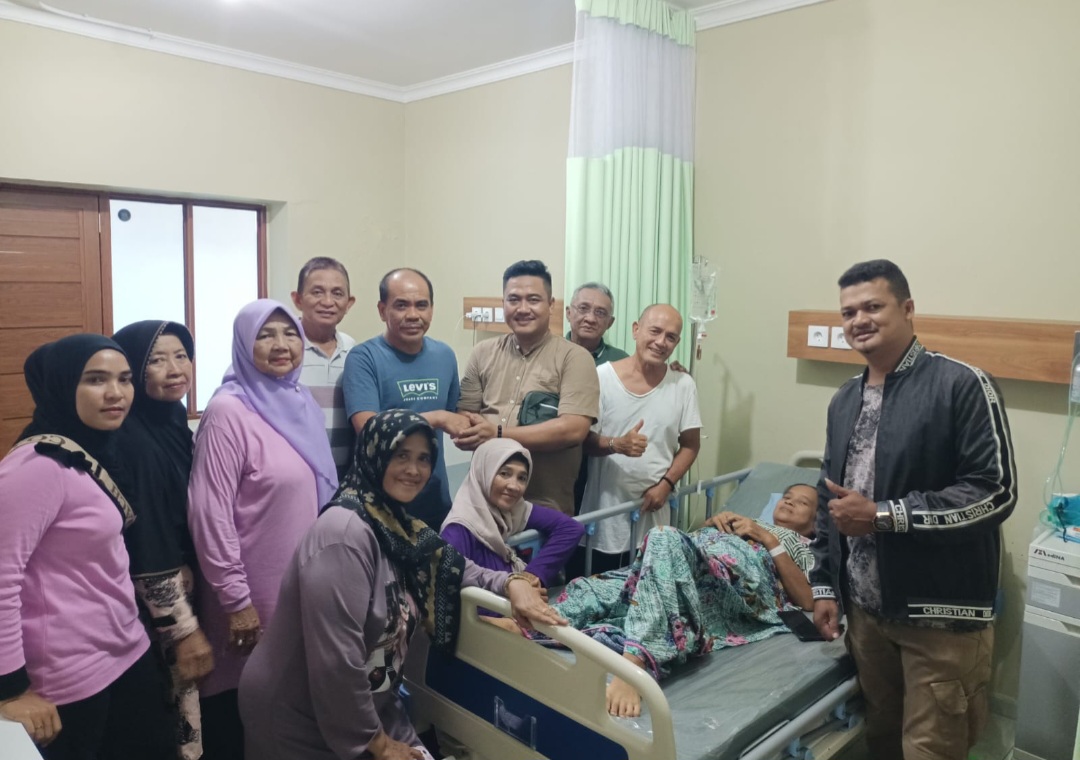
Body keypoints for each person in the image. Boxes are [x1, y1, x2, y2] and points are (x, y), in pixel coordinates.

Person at [237, 410, 566, 760]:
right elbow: (336, 661)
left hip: (363, 702)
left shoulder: (398, 526)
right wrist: (378, 744)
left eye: (423, 458)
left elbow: (457, 567)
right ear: (375, 454)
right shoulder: (342, 536)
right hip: (298, 711)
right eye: (401, 455)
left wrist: (513, 583)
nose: (414, 469)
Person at [809, 259, 1017, 760]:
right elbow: (828, 497)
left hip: (938, 617)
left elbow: (994, 492)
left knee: (932, 748)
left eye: (873, 306)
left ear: (907, 309)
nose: (859, 320)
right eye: (848, 312)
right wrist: (824, 584)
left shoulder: (962, 385)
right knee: (881, 738)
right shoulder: (844, 399)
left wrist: (884, 515)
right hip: (866, 614)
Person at [0, 335, 175, 759]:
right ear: (63, 386)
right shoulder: (38, 467)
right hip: (67, 679)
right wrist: (11, 690)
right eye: (96, 380)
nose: (116, 393)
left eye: (124, 379)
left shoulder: (97, 452)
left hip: (126, 651)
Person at [188, 300, 339, 760]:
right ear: (243, 344)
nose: (280, 345)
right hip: (250, 591)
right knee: (247, 707)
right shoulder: (228, 412)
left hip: (301, 582)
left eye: (290, 333)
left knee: (289, 705)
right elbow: (208, 511)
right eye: (265, 335)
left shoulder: (301, 401)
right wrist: (236, 601)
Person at [542, 485, 820, 719]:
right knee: (596, 587)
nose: (789, 501)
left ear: (816, 523)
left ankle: (634, 665)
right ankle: (536, 623)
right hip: (694, 562)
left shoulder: (806, 547)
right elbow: (695, 542)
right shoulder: (746, 520)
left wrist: (766, 537)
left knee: (663, 536)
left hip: (732, 578)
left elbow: (807, 599)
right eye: (787, 496)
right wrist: (714, 524)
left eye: (802, 502)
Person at [113, 320, 213, 760]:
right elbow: (148, 542)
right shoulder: (135, 440)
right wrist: (183, 630)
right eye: (156, 360)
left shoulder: (172, 421)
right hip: (155, 608)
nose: (174, 369)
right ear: (135, 369)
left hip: (182, 589)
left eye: (181, 356)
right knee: (170, 717)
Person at [457, 260, 600, 516]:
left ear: (551, 305)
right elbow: (465, 417)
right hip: (482, 503)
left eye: (533, 300)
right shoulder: (482, 353)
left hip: (543, 506)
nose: (523, 309)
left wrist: (497, 433)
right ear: (503, 303)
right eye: (513, 299)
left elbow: (573, 429)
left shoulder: (575, 358)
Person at [576, 304, 702, 573]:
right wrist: (616, 445)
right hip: (604, 519)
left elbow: (691, 445)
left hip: (654, 518)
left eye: (670, 337)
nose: (661, 342)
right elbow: (582, 440)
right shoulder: (602, 378)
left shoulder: (682, 385)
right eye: (655, 331)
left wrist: (666, 485)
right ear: (636, 330)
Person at [343, 268, 468, 528]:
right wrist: (438, 418)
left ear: (431, 309)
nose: (413, 315)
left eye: (421, 305)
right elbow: (368, 429)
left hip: (434, 500)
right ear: (382, 310)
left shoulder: (444, 355)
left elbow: (457, 417)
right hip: (379, 507)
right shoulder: (363, 358)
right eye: (401, 305)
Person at [441, 438, 585, 587]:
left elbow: (571, 528)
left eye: (522, 478)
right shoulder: (458, 530)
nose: (514, 486)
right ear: (483, 473)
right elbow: (451, 583)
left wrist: (532, 576)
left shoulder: (516, 509)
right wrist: (514, 588)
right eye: (504, 474)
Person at [291, 257, 357, 479]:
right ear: (298, 299)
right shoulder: (282, 351)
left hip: (345, 480)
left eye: (337, 293)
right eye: (317, 292)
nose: (328, 302)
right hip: (295, 479)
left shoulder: (354, 351)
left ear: (349, 303)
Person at [565, 282, 629, 365]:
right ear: (569, 313)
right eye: (583, 308)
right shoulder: (551, 352)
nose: (590, 319)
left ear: (610, 323)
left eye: (600, 312)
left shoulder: (622, 361)